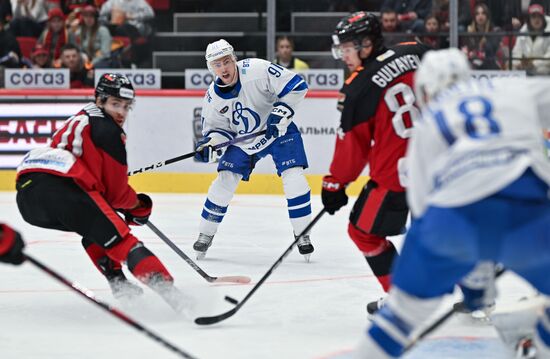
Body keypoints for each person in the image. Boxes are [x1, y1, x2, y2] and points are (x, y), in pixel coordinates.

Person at [355, 48, 550, 358]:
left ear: (426, 90)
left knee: (398, 319)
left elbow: (422, 210)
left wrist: (472, 279)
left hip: (450, 218)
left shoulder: (428, 122)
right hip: (522, 202)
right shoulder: (509, 88)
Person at [15, 73, 188, 311]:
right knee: (125, 242)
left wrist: (118, 204)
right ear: (99, 101)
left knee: (95, 229)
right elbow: (116, 196)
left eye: (126, 107)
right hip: (62, 190)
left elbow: (95, 189)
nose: (121, 112)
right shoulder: (108, 130)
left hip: (27, 199)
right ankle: (178, 300)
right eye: (115, 104)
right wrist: (138, 206)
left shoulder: (79, 120)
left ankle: (121, 286)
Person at [323, 11, 429, 314]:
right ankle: (479, 294)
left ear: (367, 44)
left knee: (362, 232)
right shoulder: (417, 50)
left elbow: (352, 148)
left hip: (396, 176)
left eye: (347, 48)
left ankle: (403, 302)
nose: (343, 55)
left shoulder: (358, 89)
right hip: (439, 167)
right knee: (443, 231)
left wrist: (335, 184)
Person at [193, 39, 314, 262]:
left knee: (294, 178)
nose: (223, 68)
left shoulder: (257, 69)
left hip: (278, 131)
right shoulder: (213, 99)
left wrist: (282, 110)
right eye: (217, 65)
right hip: (244, 140)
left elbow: (298, 85)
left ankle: (303, 234)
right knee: (224, 180)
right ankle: (205, 233)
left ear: (234, 59)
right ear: (211, 68)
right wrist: (210, 145)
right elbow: (218, 132)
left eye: (226, 62)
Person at [460, 2, 504, 69]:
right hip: (474, 65)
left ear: (487, 16)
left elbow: (491, 50)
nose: (480, 16)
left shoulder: (495, 31)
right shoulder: (470, 33)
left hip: (490, 64)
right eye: (477, 14)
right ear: (474, 17)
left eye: (483, 13)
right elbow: (467, 50)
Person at [512, 3, 550, 75]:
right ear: (529, 19)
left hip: (546, 74)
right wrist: (518, 63)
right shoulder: (523, 32)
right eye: (533, 17)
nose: (537, 19)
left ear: (543, 18)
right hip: (525, 74)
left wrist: (533, 64)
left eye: (539, 17)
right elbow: (517, 51)